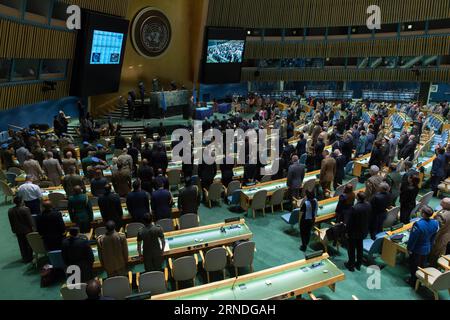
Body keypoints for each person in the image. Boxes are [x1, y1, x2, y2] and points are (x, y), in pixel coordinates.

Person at [406, 206, 439, 286]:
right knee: (422, 265)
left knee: (413, 266)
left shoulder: (418, 224)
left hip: (417, 249)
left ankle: (413, 281)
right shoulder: (435, 223)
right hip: (427, 248)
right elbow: (433, 236)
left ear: (423, 214)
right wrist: (430, 245)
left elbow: (413, 239)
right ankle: (420, 280)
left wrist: (409, 249)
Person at [345, 192, 371, 272]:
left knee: (351, 249)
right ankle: (359, 264)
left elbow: (350, 222)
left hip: (353, 232)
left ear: (358, 198)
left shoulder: (355, 208)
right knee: (360, 247)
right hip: (363, 230)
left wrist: (347, 232)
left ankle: (351, 265)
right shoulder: (368, 205)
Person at [8, 196, 34, 263]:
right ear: (21, 201)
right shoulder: (25, 209)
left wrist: (13, 229)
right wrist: (33, 227)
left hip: (17, 230)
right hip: (27, 230)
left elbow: (11, 222)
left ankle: (25, 258)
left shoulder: (10, 210)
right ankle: (30, 257)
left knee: (21, 244)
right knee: (29, 244)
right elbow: (30, 221)